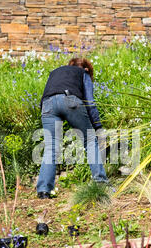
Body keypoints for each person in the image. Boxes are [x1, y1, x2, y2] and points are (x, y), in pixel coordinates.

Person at [36, 57, 108, 199]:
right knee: (89, 140)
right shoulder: (83, 74)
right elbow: (90, 101)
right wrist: (98, 126)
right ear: (86, 69)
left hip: (47, 104)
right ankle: (100, 182)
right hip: (70, 100)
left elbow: (45, 95)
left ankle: (44, 190)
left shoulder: (55, 72)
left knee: (51, 146)